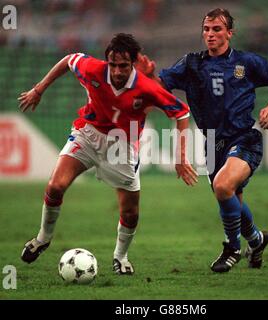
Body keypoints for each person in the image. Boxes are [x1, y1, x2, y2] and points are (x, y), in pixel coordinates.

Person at [18, 33, 198, 275]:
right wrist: (39, 89)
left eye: (123, 66)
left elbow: (182, 113)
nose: (116, 71)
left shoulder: (146, 87)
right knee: (55, 186)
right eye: (112, 65)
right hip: (88, 134)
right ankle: (42, 238)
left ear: (133, 64)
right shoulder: (93, 69)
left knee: (130, 211)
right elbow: (68, 60)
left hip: (121, 147)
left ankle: (120, 256)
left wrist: (180, 157)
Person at [136, 8, 268, 273]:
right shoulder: (191, 64)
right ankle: (256, 240)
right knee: (231, 200)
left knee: (222, 186)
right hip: (212, 143)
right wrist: (147, 77)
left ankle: (232, 248)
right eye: (206, 29)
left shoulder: (246, 62)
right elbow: (159, 88)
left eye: (217, 29)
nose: (210, 34)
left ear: (229, 33)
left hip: (244, 139)